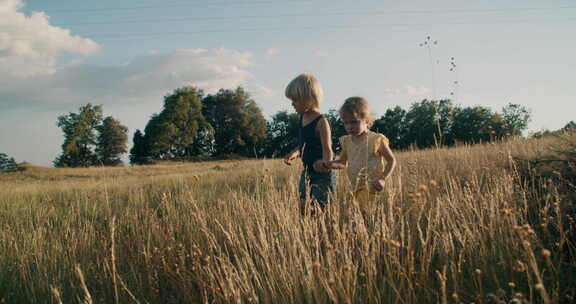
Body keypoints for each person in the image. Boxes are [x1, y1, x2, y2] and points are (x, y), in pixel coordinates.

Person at [283, 73, 337, 215]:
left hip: (322, 173)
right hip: (307, 172)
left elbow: (328, 149)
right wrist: (294, 153)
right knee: (303, 205)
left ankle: (322, 234)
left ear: (308, 98)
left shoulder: (321, 121)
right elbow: (303, 145)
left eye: (295, 100)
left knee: (321, 210)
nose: (292, 104)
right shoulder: (302, 119)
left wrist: (325, 164)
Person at [326, 97, 396, 203]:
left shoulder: (375, 139)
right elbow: (342, 162)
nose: (349, 126)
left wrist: (382, 178)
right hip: (355, 188)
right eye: (346, 123)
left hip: (373, 188)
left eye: (354, 122)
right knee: (360, 218)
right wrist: (328, 164)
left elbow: (391, 160)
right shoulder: (346, 141)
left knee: (368, 216)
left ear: (366, 120)